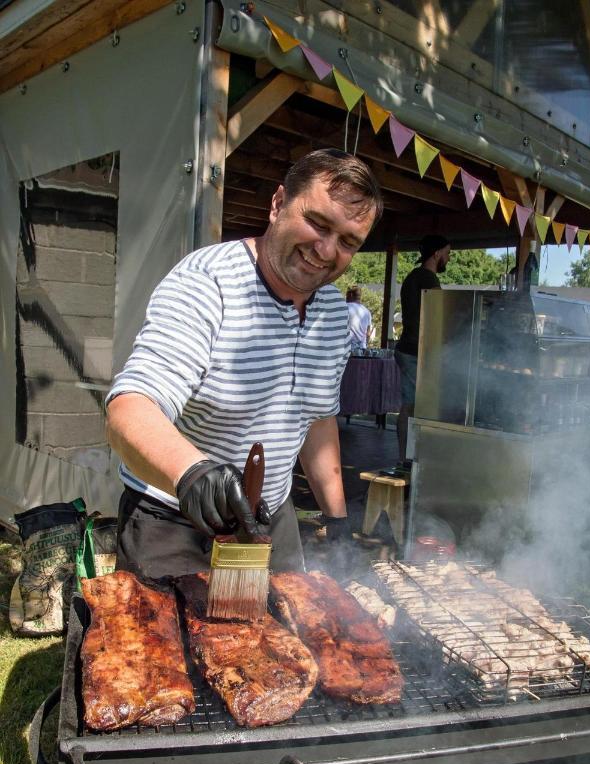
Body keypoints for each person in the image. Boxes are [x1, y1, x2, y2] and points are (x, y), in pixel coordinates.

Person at [105, 149, 383, 580]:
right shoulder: (207, 282)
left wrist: (337, 520)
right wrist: (192, 471)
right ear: (277, 205)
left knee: (289, 644)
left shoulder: (332, 311)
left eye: (348, 242)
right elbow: (130, 408)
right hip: (176, 523)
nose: (326, 251)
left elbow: (317, 421)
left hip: (272, 522)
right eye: (318, 223)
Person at [394, 234, 451, 469]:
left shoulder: (412, 277)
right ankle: (410, 460)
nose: (448, 258)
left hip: (408, 348)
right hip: (416, 351)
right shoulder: (428, 279)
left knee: (410, 405)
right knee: (415, 406)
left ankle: (407, 457)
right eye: (447, 253)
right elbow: (439, 317)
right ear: (436, 253)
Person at [346, 285, 373, 349]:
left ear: (351, 295)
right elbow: (368, 334)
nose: (346, 298)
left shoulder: (345, 307)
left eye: (346, 296)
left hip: (347, 349)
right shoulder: (367, 312)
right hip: (361, 349)